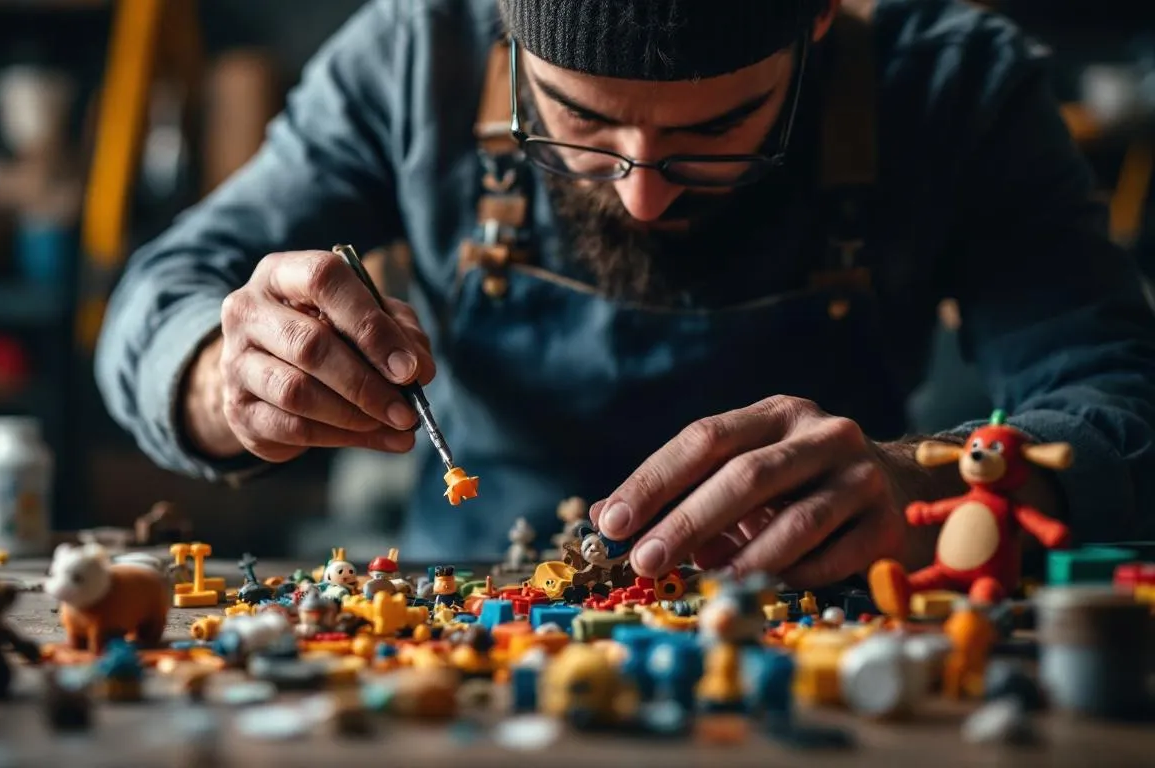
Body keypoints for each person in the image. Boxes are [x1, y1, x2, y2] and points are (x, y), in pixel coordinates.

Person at [95, 0, 1155, 586]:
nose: (643, 194)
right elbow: (160, 296)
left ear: (819, 22)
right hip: (474, 629)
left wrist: (926, 496)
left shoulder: (953, 90)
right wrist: (221, 375)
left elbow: (1124, 406)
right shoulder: (414, 60)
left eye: (713, 131)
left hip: (822, 629)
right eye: (579, 125)